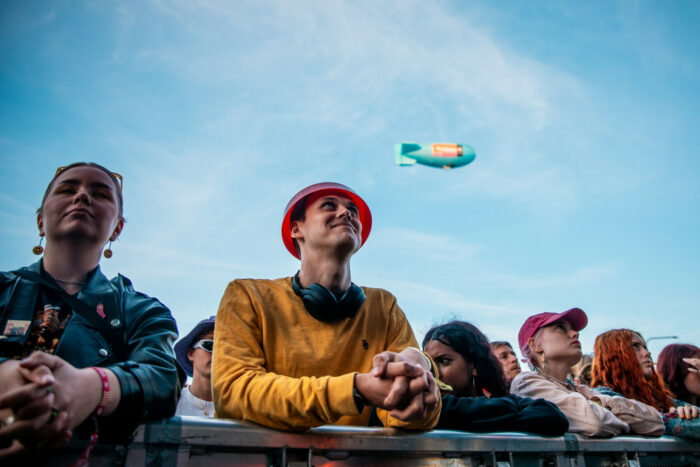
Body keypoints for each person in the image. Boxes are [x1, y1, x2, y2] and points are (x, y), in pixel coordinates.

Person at [212, 182, 440, 431]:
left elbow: (403, 418)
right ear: (296, 229)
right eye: (329, 205)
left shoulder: (384, 306)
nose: (346, 213)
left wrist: (419, 372)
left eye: (352, 210)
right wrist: (354, 389)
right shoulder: (247, 295)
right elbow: (232, 393)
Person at [0, 163, 182, 458]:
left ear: (117, 229)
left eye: (100, 194)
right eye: (67, 189)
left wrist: (95, 388)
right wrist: (5, 376)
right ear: (40, 222)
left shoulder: (142, 310)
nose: (82, 197)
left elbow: (162, 376)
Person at [510, 308, 664, 437]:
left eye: (573, 328)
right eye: (560, 328)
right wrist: (630, 423)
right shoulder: (526, 383)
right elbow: (595, 423)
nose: (574, 333)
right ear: (535, 344)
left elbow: (656, 422)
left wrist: (599, 403)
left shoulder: (580, 390)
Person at [423, 321, 568, 435]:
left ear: (474, 365)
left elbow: (553, 417)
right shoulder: (421, 409)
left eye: (443, 361)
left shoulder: (505, 401)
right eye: (428, 365)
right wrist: (501, 413)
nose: (434, 373)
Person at [591, 330, 699, 439]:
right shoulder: (604, 396)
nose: (647, 353)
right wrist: (678, 419)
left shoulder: (659, 398)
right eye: (635, 346)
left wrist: (689, 413)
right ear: (613, 354)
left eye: (645, 347)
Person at [174, 316, 215, 417]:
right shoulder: (169, 403)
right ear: (191, 353)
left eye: (226, 348)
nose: (218, 352)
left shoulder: (244, 408)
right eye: (210, 345)